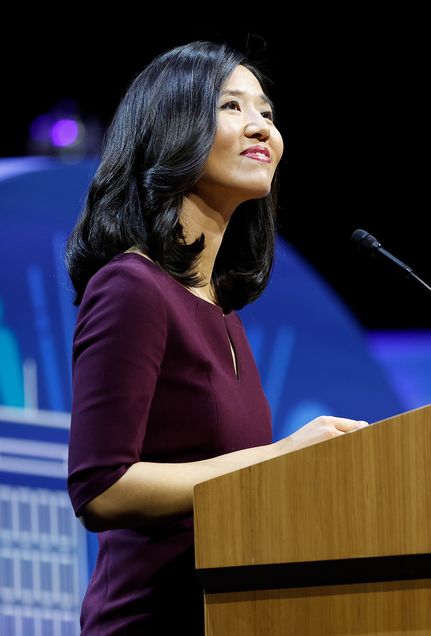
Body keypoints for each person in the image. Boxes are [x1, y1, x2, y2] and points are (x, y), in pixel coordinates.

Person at [64, 40, 368, 635]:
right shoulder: (132, 287)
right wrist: (278, 460)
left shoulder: (224, 313)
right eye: (232, 106)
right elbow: (101, 486)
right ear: (171, 130)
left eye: (268, 113)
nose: (261, 127)